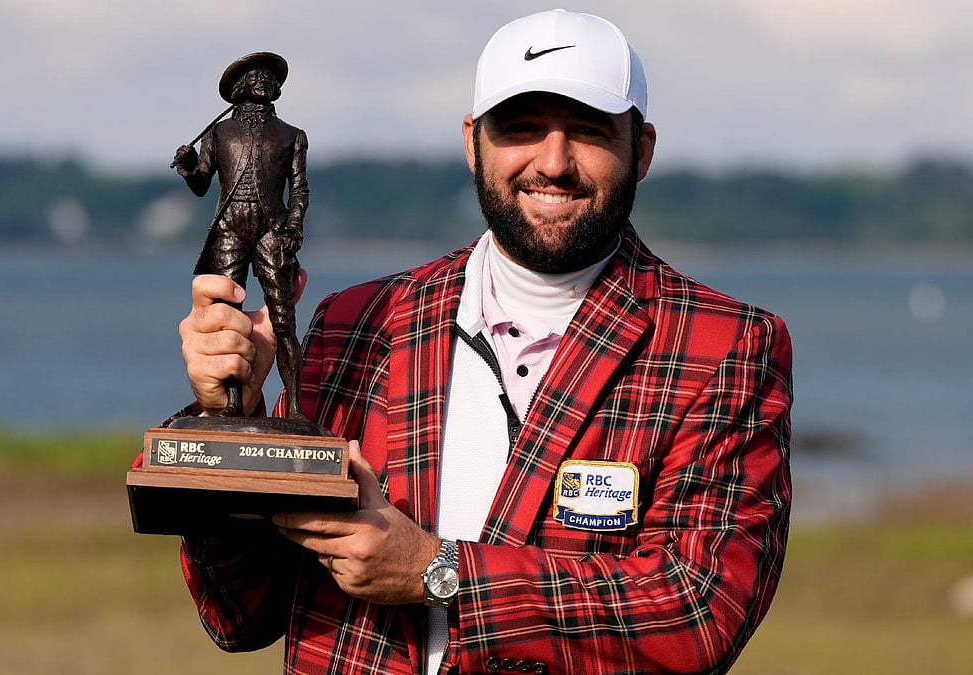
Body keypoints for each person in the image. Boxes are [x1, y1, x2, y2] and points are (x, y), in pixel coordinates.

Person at [176, 10, 792, 674]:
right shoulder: (353, 324)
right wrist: (231, 419)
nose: (553, 163)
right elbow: (240, 615)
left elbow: (698, 613)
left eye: (586, 130)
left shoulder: (724, 346)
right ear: (474, 142)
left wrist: (438, 571)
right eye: (521, 128)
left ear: (640, 149)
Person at [173, 51, 310, 418]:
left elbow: (299, 190)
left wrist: (294, 227)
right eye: (255, 77)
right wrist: (188, 167)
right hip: (230, 228)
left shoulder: (292, 136)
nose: (263, 81)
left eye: (269, 77)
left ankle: (295, 408)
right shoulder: (219, 133)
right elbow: (202, 184)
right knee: (225, 315)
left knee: (284, 322)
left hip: (272, 230)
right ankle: (232, 403)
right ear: (240, 88)